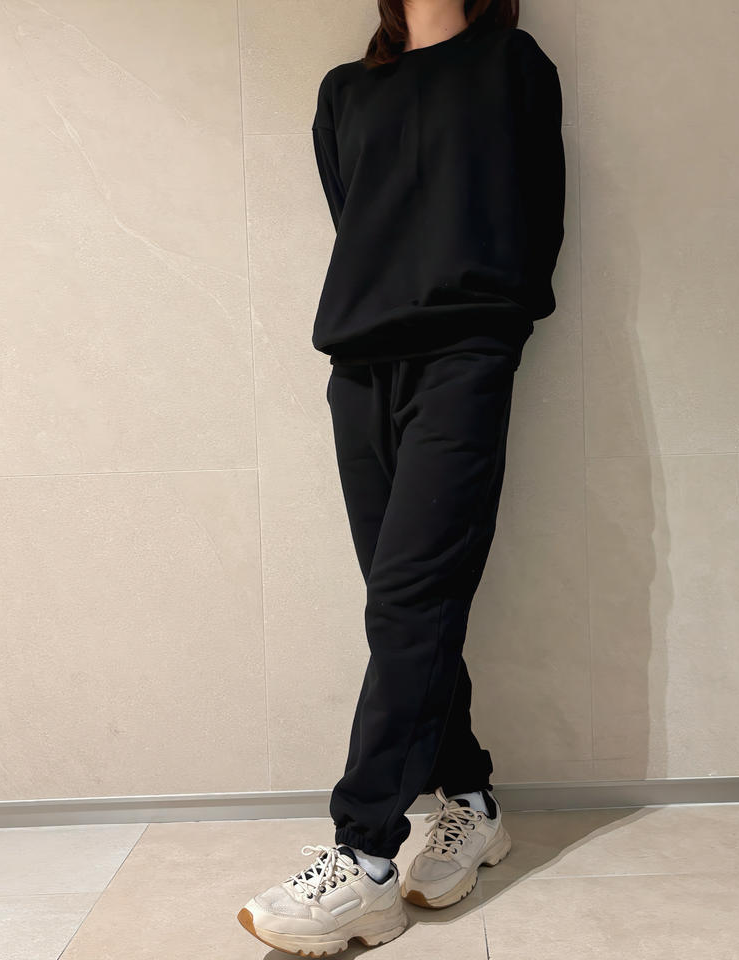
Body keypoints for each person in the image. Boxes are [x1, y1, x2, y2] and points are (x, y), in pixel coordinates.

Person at [239, 0, 564, 953]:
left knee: (410, 601)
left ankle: (366, 857)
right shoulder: (346, 92)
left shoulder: (512, 64)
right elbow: (361, 225)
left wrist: (490, 329)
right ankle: (472, 803)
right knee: (405, 606)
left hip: (465, 358)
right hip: (358, 371)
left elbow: (539, 212)